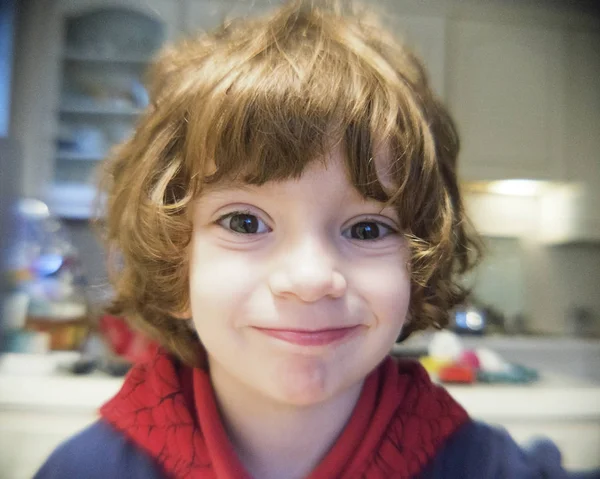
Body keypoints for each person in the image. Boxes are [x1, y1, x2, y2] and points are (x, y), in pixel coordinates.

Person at [34, 1, 597, 478]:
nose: (308, 279)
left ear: (416, 265)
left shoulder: (481, 465)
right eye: (245, 222)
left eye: (368, 228)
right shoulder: (88, 468)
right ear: (174, 261)